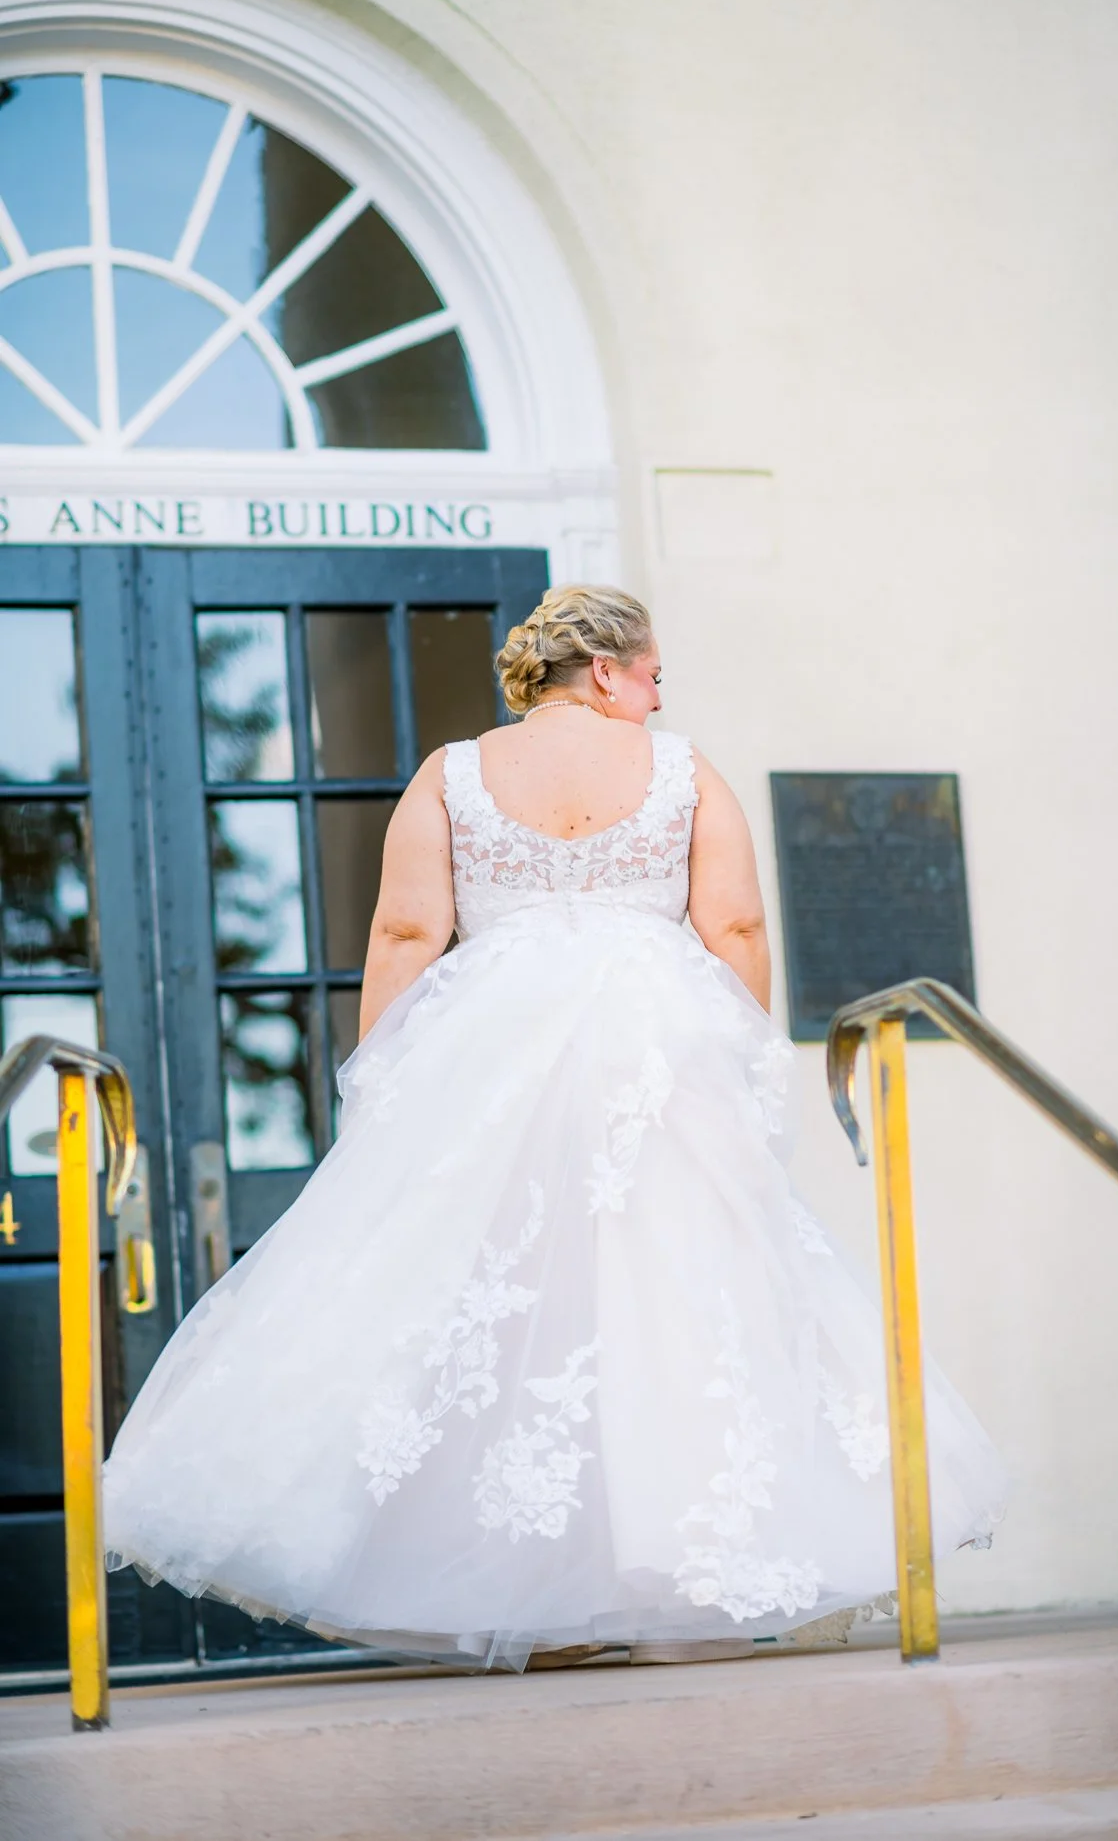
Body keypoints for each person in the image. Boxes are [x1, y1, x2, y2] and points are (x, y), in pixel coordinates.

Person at [103, 583, 1006, 1671]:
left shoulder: (451, 774)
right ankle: (661, 1570)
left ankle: (524, 1588)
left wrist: (381, 1086)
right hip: (654, 1060)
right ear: (611, 671)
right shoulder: (679, 770)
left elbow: (405, 927)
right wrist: (744, 1057)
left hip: (492, 1053)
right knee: (666, 1296)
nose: (662, 697)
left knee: (492, 1301)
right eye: (656, 676)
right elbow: (733, 922)